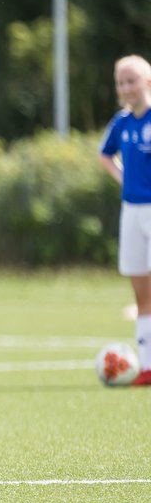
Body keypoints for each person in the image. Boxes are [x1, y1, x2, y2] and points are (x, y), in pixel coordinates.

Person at [99, 54, 151, 386]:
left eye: (131, 81)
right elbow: (105, 155)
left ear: (148, 82)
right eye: (121, 82)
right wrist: (125, 179)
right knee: (141, 292)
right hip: (131, 211)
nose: (126, 87)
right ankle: (147, 367)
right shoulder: (121, 123)